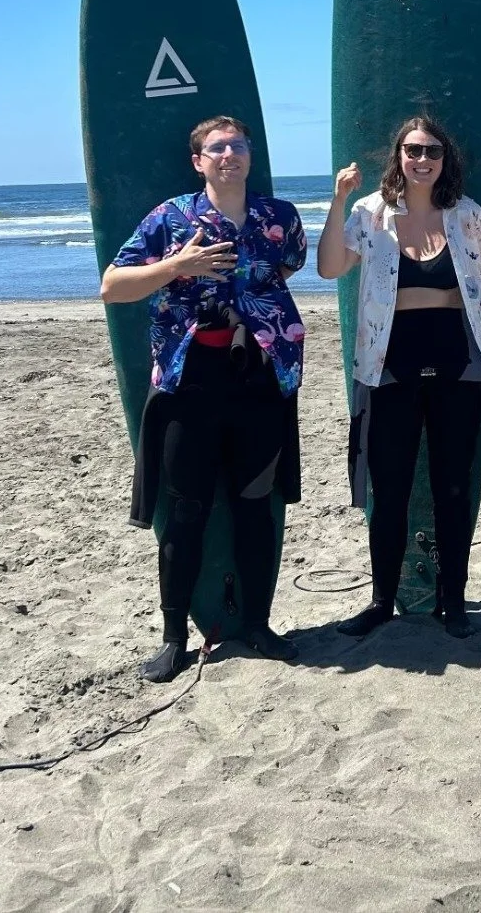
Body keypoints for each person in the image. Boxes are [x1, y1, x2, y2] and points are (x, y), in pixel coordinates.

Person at [100, 116, 307, 682]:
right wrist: (177, 267)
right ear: (199, 161)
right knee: (186, 511)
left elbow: (287, 266)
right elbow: (112, 286)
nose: (228, 155)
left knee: (254, 506)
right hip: (190, 382)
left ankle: (260, 626)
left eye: (237, 146)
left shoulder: (279, 217)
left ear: (250, 156)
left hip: (259, 379)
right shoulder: (170, 218)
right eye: (216, 148)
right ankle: (172, 638)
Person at [317, 117, 481, 640]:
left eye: (432, 151)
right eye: (412, 149)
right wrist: (338, 199)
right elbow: (331, 267)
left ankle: (454, 600)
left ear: (445, 159)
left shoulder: (466, 214)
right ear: (398, 155)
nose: (422, 159)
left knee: (452, 487)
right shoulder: (369, 213)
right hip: (389, 365)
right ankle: (382, 601)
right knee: (392, 487)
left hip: (459, 364)